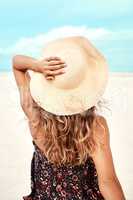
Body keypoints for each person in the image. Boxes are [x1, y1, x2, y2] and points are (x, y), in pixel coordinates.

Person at [12, 36, 126, 200]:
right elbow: (108, 181)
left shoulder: (35, 118)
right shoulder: (95, 127)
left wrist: (37, 66)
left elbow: (17, 64)